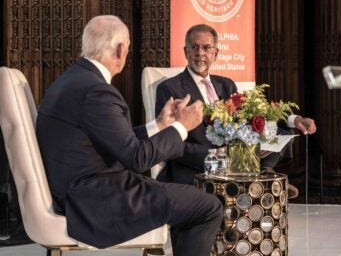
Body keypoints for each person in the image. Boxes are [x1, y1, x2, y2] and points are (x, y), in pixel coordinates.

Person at [36, 15, 223, 256]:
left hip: (82, 189)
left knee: (191, 200)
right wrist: (182, 127)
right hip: (98, 199)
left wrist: (159, 124)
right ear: (121, 49)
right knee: (208, 206)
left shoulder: (71, 80)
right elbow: (137, 158)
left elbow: (116, 141)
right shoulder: (97, 91)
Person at [155, 24, 317, 198]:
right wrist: (215, 155)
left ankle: (264, 170)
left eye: (207, 47)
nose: (200, 53)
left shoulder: (226, 84)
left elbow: (257, 113)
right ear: (186, 51)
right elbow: (169, 141)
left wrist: (296, 119)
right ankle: (261, 181)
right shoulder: (169, 88)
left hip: (236, 157)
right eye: (194, 47)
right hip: (199, 164)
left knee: (284, 131)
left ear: (215, 54)